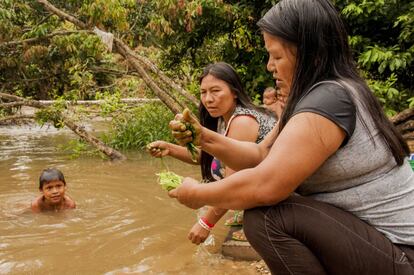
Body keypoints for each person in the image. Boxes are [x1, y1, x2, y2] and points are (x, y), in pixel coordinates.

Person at [166, 0, 414, 274]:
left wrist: (198, 194)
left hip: (402, 254)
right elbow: (261, 155)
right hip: (377, 245)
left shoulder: (329, 99)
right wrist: (203, 137)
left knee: (267, 217)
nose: (270, 66)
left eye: (277, 56)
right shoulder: (317, 96)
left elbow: (267, 185)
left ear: (310, 54)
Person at [148, 62, 276, 244]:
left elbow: (232, 185)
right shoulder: (224, 119)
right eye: (203, 92)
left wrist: (205, 223)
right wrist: (170, 149)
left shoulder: (242, 121)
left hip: (273, 199)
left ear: (234, 92)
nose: (208, 99)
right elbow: (210, 158)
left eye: (215, 91)